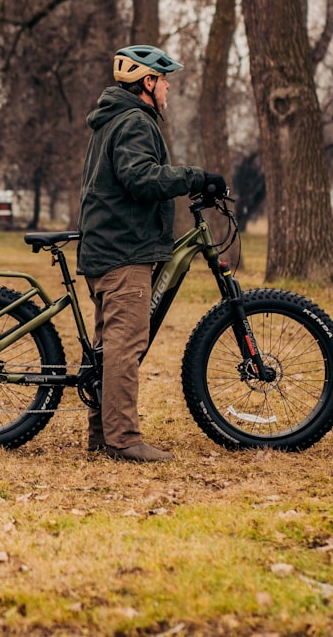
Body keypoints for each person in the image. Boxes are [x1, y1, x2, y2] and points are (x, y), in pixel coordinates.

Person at [77, 44, 227, 463]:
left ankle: (100, 436)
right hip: (123, 251)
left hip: (108, 246)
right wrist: (196, 177)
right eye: (164, 81)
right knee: (125, 345)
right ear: (148, 82)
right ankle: (124, 440)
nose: (167, 90)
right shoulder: (134, 123)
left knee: (110, 346)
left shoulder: (112, 121)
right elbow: (140, 178)